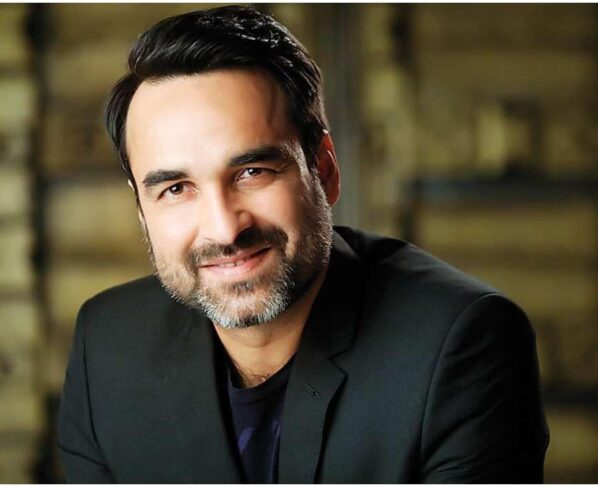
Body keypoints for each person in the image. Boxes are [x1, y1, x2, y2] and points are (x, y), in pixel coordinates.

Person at [57, 5, 549, 483]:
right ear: (141, 209)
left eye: (253, 172)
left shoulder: (460, 344)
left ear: (325, 171)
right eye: (176, 189)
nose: (224, 230)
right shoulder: (107, 345)